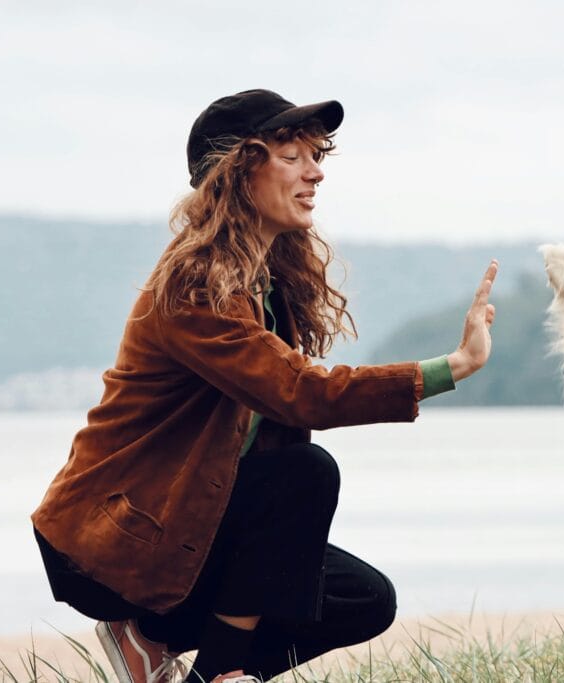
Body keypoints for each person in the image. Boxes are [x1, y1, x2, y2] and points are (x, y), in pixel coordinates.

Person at [30, 89, 498, 683]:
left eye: (316, 154)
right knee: (304, 475)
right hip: (112, 543)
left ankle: (161, 648)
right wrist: (452, 366)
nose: (316, 171)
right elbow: (303, 393)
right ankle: (207, 667)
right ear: (239, 171)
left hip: (189, 525)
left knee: (363, 599)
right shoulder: (196, 286)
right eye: (293, 155)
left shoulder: (268, 285)